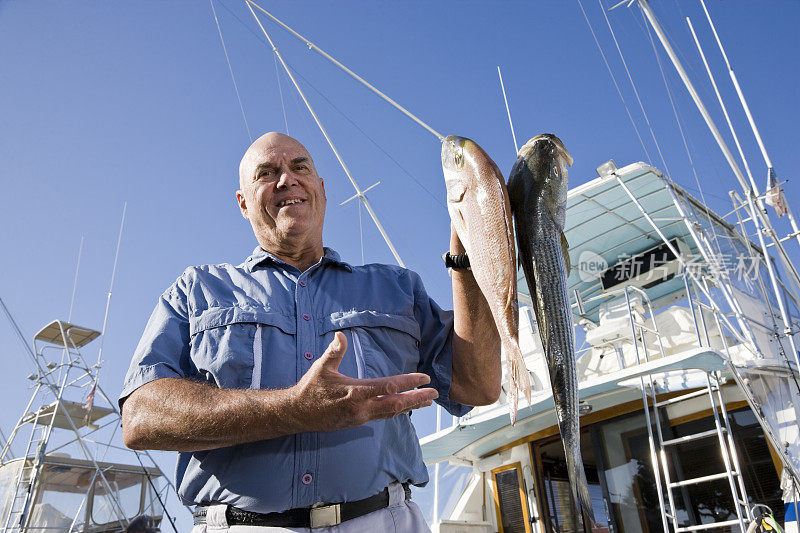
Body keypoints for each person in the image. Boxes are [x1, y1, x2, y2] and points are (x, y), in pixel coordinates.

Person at [119, 132, 501, 532]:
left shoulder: (399, 288)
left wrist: (468, 258)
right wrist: (292, 408)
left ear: (321, 188)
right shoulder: (196, 290)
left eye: (300, 167)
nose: (287, 179)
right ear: (243, 203)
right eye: (267, 173)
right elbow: (141, 418)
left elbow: (477, 387)